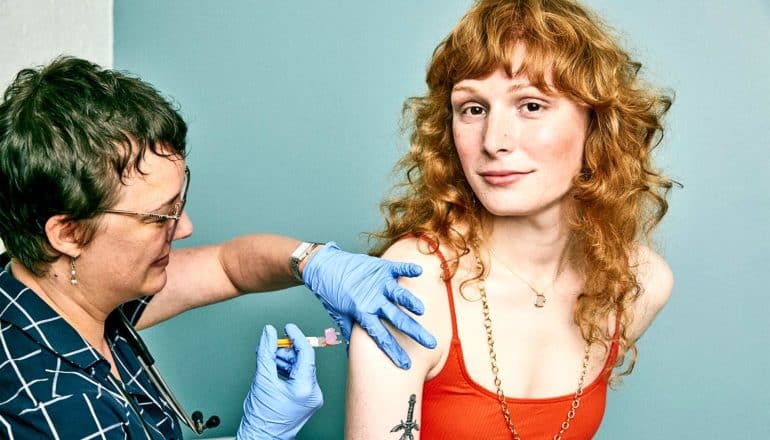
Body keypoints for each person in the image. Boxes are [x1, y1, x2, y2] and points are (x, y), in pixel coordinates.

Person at [0, 56, 437, 439]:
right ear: (69, 233)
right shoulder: (51, 411)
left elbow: (229, 266)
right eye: (160, 216)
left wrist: (311, 260)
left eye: (180, 203)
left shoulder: (52, 293)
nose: (185, 227)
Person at [346, 0, 675, 438]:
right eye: (473, 109)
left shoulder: (638, 282)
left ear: (598, 124)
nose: (494, 141)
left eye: (531, 106)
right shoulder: (415, 280)